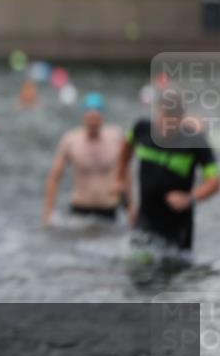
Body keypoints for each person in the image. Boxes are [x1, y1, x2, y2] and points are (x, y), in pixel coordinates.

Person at [117, 90, 218, 252]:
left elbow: (215, 180)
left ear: (181, 118)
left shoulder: (196, 141)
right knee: (138, 260)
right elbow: (124, 153)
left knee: (174, 264)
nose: (167, 125)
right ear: (157, 112)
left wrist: (190, 198)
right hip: (145, 216)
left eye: (173, 120)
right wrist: (127, 198)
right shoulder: (142, 129)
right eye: (164, 117)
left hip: (178, 225)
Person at [43, 92, 126, 225]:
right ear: (84, 117)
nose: (93, 122)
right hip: (80, 210)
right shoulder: (71, 140)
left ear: (102, 117)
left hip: (109, 210)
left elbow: (125, 173)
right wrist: (48, 214)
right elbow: (54, 178)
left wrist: (131, 208)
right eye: (90, 118)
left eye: (96, 118)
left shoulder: (116, 138)